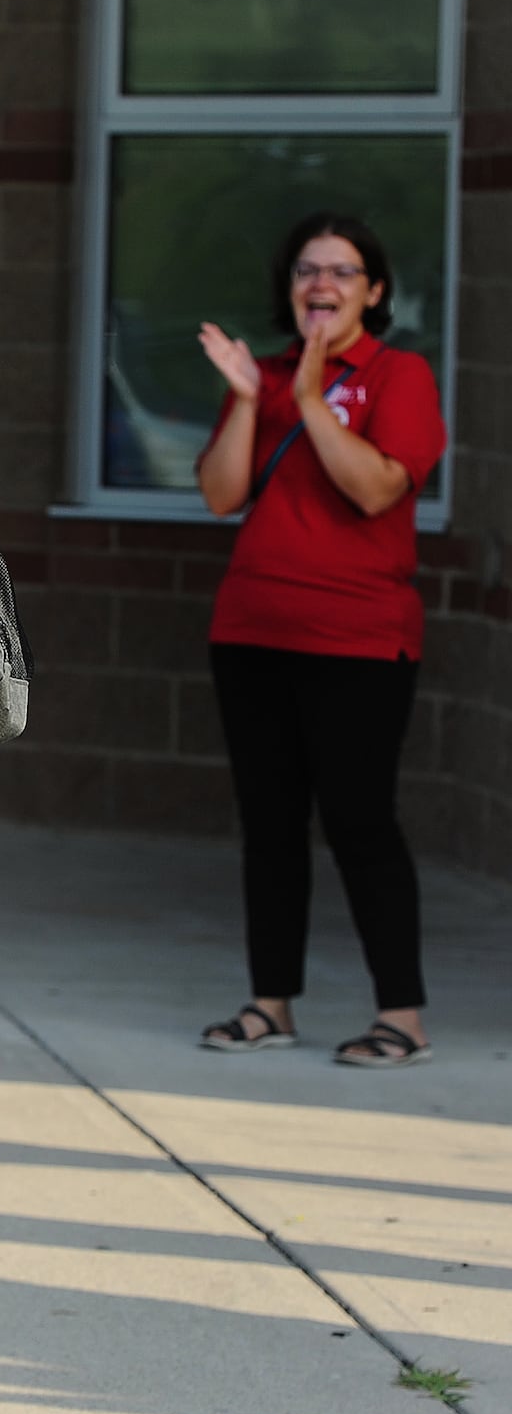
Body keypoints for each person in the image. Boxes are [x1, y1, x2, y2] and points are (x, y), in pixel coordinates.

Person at [195, 211, 446, 1068]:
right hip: (253, 629)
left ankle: (401, 1016)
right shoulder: (256, 376)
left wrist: (307, 398)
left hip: (360, 639)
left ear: (373, 290)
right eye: (307, 269)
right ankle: (272, 1004)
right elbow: (223, 495)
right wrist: (245, 397)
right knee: (269, 825)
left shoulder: (400, 375)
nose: (322, 284)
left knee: (360, 822)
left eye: (341, 271)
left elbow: (377, 489)